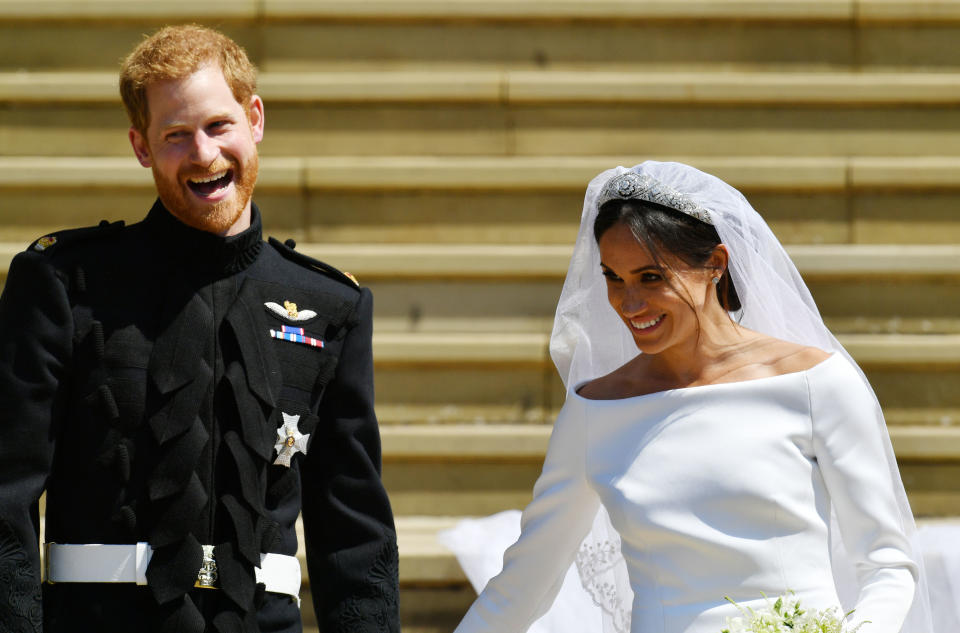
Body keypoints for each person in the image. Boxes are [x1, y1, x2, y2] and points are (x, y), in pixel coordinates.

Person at [0, 25, 400, 633]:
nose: (204, 155)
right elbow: (7, 498)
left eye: (218, 126)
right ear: (141, 147)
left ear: (255, 119)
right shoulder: (62, 284)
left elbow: (354, 534)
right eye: (176, 136)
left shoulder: (329, 304)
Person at [447, 161, 934, 633]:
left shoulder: (815, 384)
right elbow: (525, 582)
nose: (628, 303)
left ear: (715, 265)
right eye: (614, 278)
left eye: (651, 277)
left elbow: (888, 564)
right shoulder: (596, 411)